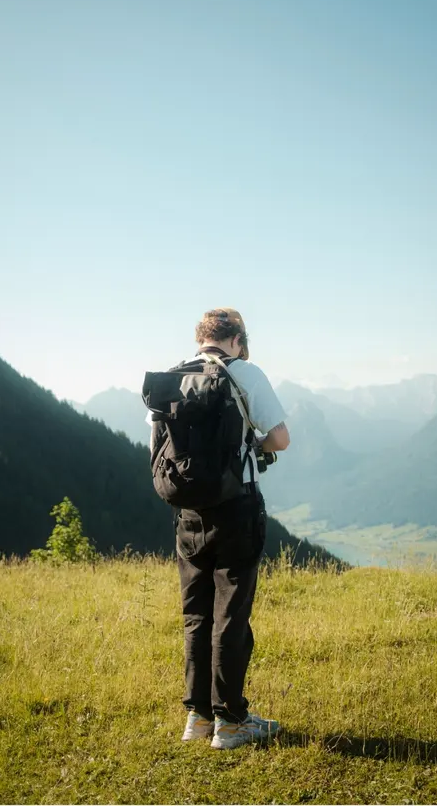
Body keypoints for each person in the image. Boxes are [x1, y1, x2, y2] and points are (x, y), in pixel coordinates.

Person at [151, 308, 290, 749]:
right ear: (236, 340)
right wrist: (257, 446)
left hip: (188, 514)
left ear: (200, 339)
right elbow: (281, 437)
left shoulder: (171, 380)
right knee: (231, 618)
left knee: (197, 616)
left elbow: (159, 447)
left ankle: (197, 719)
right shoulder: (243, 373)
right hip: (236, 510)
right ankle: (230, 722)